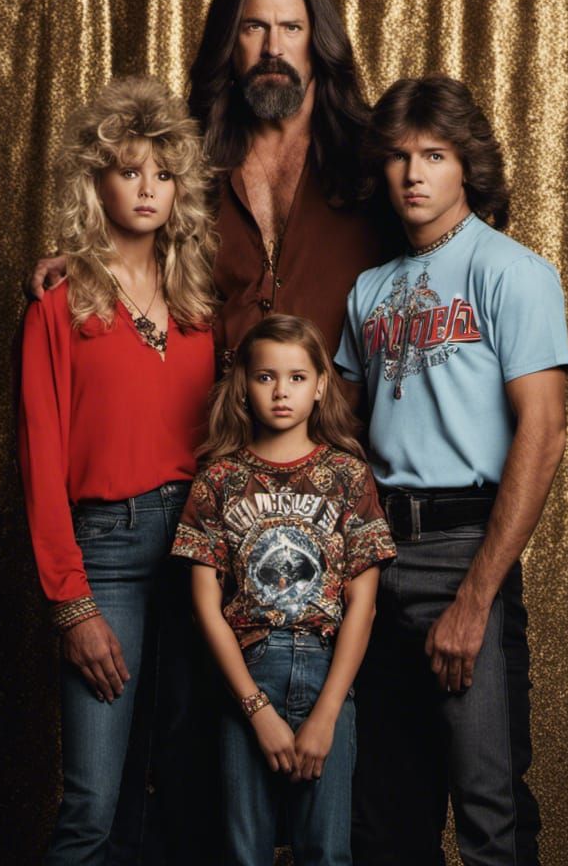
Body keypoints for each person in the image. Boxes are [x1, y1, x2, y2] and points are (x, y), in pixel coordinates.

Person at [334, 76, 568, 866]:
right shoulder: (369, 290)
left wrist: (476, 600)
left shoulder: (513, 272)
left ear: (466, 165)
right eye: (399, 157)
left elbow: (543, 434)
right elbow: (335, 428)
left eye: (433, 155)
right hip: (376, 557)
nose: (413, 174)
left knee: (488, 810)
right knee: (383, 817)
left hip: (463, 551)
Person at [18, 76, 218, 865]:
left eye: (163, 174)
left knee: (180, 782)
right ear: (95, 179)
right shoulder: (58, 304)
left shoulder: (201, 298)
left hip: (201, 549)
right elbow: (39, 462)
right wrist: (73, 607)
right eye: (129, 170)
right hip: (107, 551)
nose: (147, 189)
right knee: (94, 800)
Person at [28, 0, 396, 362]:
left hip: (343, 421)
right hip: (214, 419)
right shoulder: (184, 158)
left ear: (318, 41)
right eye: (253, 27)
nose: (272, 48)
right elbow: (139, 238)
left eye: (291, 27)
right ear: (229, 42)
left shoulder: (376, 156)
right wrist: (88, 265)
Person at [171, 314, 396, 866]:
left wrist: (328, 713)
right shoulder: (218, 480)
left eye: (297, 377)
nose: (281, 391)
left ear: (321, 385)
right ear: (244, 385)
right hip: (247, 669)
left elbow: (362, 605)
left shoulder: (347, 475)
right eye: (266, 376)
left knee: (326, 851)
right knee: (243, 851)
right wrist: (254, 708)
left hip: (329, 667)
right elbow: (205, 606)